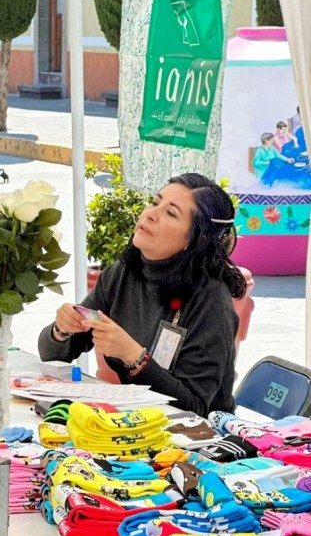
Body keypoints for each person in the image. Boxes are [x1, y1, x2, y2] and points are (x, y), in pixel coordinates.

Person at [39, 173, 247, 416]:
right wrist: (62, 330)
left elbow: (195, 407)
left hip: (197, 440)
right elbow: (53, 355)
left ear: (194, 239)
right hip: (138, 424)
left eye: (170, 213)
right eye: (155, 202)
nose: (150, 214)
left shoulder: (211, 300)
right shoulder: (125, 272)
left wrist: (133, 356)